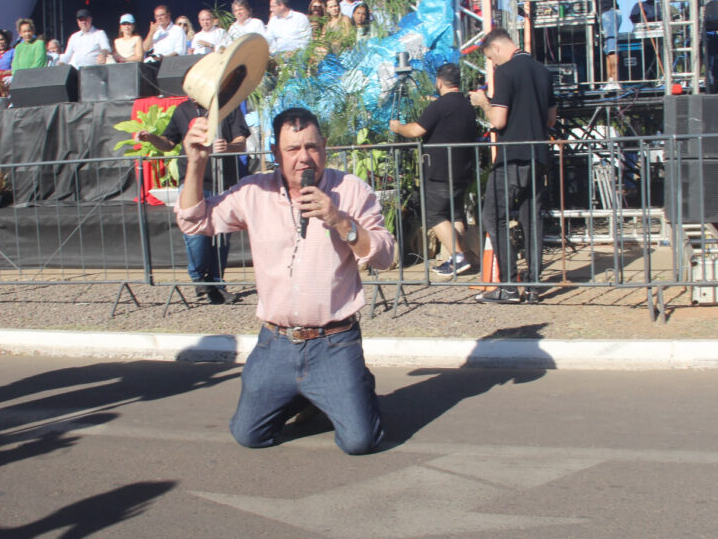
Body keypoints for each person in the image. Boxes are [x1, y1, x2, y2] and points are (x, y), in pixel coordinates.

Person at [175, 107, 394, 454]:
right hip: (275, 343)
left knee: (359, 442)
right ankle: (306, 395)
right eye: (293, 150)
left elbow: (385, 255)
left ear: (325, 146)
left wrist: (340, 220)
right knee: (249, 436)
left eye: (312, 147)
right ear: (275, 154)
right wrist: (196, 163)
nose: (304, 158)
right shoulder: (253, 192)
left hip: (334, 342)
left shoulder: (351, 190)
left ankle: (353, 384)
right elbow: (194, 222)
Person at [468, 29, 557, 304]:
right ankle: (533, 285)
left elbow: (498, 121)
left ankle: (507, 286)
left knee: (494, 215)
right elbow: (551, 119)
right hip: (539, 155)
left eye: (490, 59)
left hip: (512, 156)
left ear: (496, 49)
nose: (492, 64)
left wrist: (484, 103)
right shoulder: (543, 71)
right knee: (532, 219)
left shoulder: (506, 72)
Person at [140, 99, 249, 304]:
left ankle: (216, 282)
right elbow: (168, 143)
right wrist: (151, 138)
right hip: (193, 182)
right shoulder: (182, 110)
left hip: (223, 182)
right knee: (195, 235)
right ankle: (200, 280)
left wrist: (228, 147)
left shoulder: (229, 107)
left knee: (222, 237)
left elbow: (241, 141)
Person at [389, 63, 480, 278]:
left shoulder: (441, 106)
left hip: (439, 170)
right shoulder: (466, 106)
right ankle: (460, 256)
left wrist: (398, 127)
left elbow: (416, 130)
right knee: (455, 214)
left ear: (439, 82)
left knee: (434, 215)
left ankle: (458, 257)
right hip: (462, 170)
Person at [557, 0, 621, 92]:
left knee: (611, 47)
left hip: (609, 11)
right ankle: (611, 80)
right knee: (607, 47)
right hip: (606, 12)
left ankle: (614, 80)